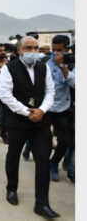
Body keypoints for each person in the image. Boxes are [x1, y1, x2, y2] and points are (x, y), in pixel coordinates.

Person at [0, 36, 59, 218]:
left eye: (35, 48)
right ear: (19, 50)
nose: (33, 51)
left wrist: (41, 110)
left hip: (41, 122)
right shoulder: (9, 69)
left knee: (42, 160)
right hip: (18, 122)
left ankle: (42, 203)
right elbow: (5, 94)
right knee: (13, 155)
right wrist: (27, 112)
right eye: (28, 48)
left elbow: (50, 92)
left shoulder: (44, 68)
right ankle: (11, 189)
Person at [46, 35, 75, 182]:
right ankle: (44, 164)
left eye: (59, 50)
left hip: (62, 108)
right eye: (53, 49)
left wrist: (62, 66)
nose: (55, 53)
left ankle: (54, 163)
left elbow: (75, 84)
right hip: (45, 107)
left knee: (64, 141)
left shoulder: (71, 64)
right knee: (44, 140)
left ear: (66, 49)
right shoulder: (44, 62)